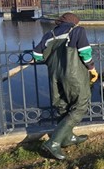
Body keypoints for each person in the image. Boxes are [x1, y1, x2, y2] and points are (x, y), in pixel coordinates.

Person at [32, 12, 98, 160]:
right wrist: (92, 69)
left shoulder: (49, 35)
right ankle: (53, 142)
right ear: (74, 22)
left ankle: (67, 138)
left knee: (63, 106)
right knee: (81, 104)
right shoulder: (77, 31)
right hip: (73, 75)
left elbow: (36, 54)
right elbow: (85, 53)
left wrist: (53, 60)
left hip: (55, 75)